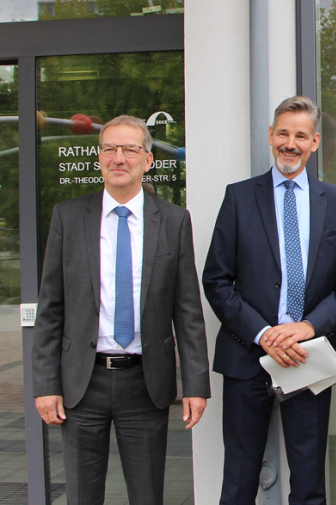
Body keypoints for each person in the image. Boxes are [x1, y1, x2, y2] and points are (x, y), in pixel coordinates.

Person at [33, 115, 211, 505]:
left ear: (148, 160)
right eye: (110, 148)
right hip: (81, 383)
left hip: (145, 383)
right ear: (99, 158)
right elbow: (50, 309)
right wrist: (45, 385)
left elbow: (187, 311)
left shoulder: (173, 221)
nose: (119, 158)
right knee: (82, 496)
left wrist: (196, 386)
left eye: (130, 149)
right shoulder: (68, 217)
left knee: (147, 495)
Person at [203, 95, 336, 505]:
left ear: (314, 142)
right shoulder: (239, 197)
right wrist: (263, 334)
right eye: (283, 134)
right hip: (247, 357)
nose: (290, 144)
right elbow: (217, 280)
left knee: (309, 483)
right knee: (238, 481)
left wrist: (308, 327)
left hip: (308, 356)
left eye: (300, 136)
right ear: (270, 136)